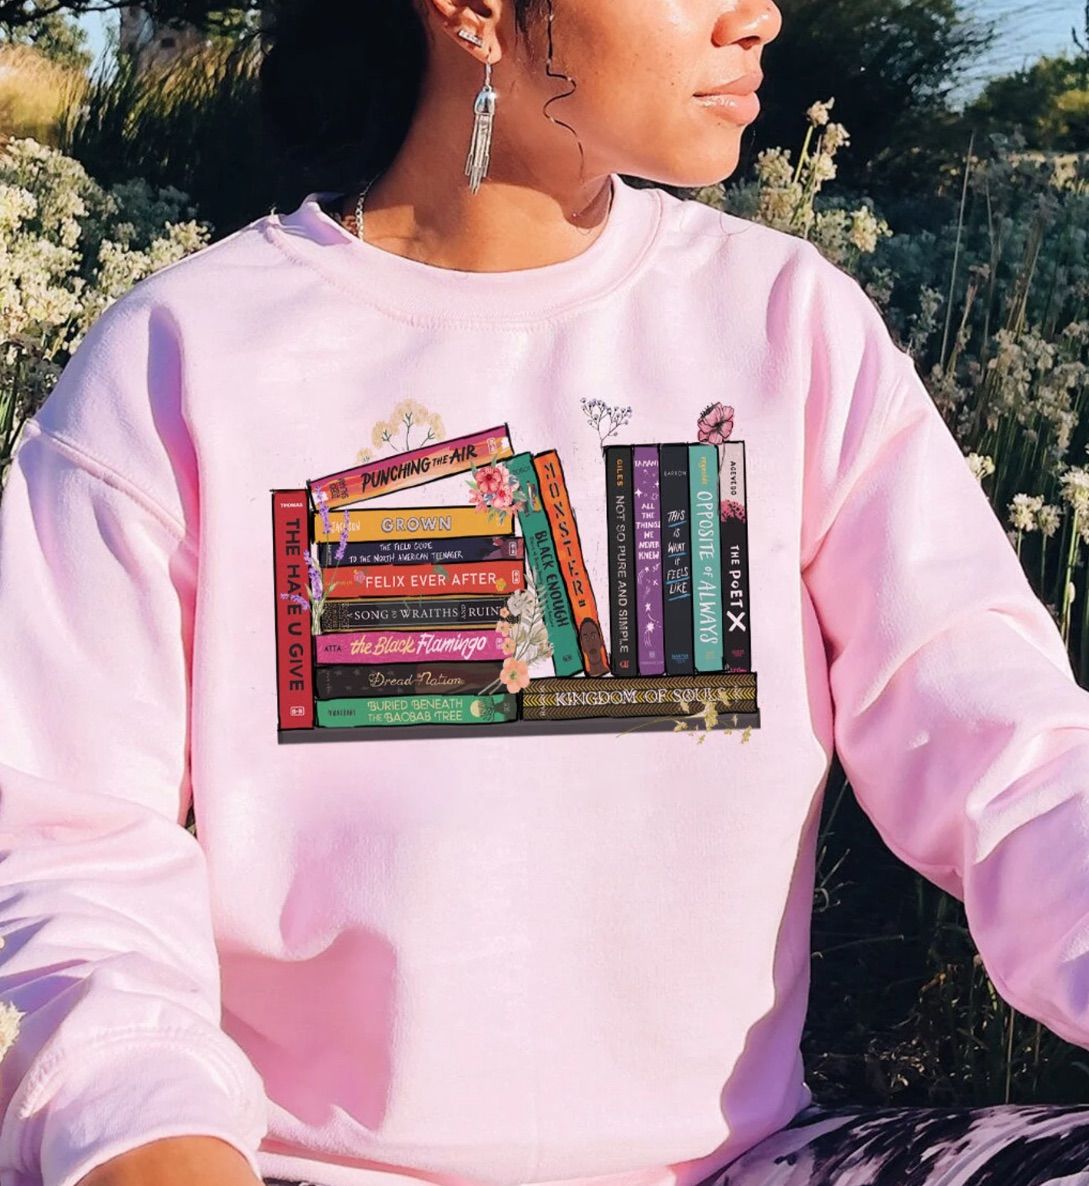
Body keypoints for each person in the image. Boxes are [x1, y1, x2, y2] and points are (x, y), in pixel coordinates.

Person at [4, 0, 1089, 1185]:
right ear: (469, 11)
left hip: (743, 1164)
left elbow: (1011, 755)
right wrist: (150, 1140)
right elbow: (56, 844)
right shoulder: (189, 359)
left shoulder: (786, 324)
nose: (758, 15)